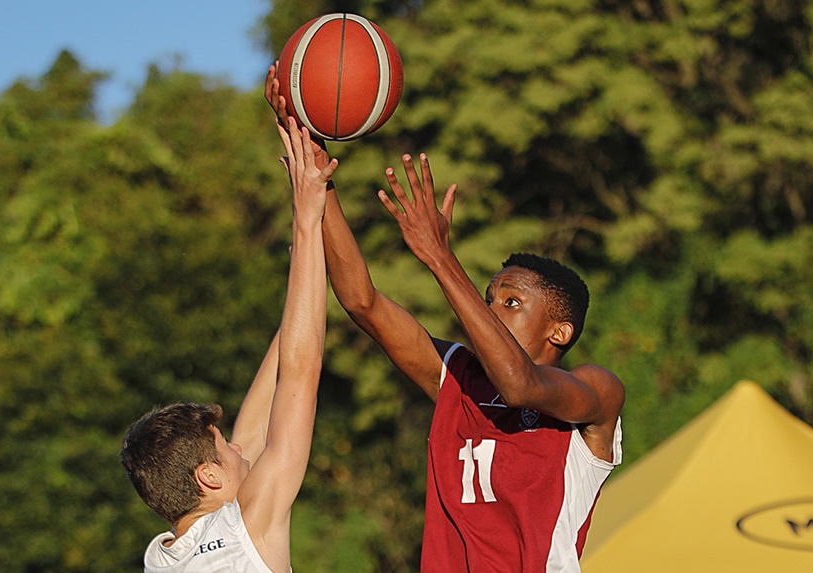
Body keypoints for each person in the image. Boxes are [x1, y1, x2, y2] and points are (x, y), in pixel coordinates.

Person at [264, 63, 624, 572]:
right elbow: (362, 301)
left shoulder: (595, 394)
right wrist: (318, 173)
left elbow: (520, 386)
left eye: (512, 302)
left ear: (559, 332)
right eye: (489, 296)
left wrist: (439, 257)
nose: (491, 308)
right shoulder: (460, 377)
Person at [119, 116, 337, 573]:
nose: (239, 449)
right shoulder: (246, 532)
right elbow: (302, 369)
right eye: (225, 449)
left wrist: (306, 277)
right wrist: (306, 218)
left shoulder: (161, 558)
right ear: (208, 476)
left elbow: (254, 437)